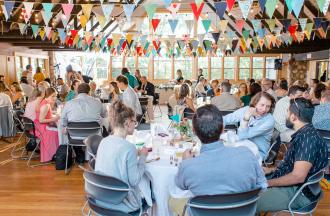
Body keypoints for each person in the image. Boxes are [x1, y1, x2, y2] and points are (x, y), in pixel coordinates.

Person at [169, 104, 267, 215]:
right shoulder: (247, 154)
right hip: (243, 213)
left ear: (194, 131)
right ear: (222, 129)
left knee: (172, 200)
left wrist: (186, 162)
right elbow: (262, 186)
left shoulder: (188, 166)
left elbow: (179, 186)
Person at [257, 98, 328, 213]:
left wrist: (267, 183)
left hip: (298, 193)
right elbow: (293, 167)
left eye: (287, 112)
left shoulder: (306, 139)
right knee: (249, 183)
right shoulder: (307, 133)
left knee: (246, 202)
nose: (286, 115)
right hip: (296, 186)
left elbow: (298, 176)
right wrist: (271, 170)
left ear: (293, 117)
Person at [95, 100, 148, 213]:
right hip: (122, 204)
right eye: (134, 121)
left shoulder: (104, 141)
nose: (135, 124)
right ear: (127, 123)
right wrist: (143, 157)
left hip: (100, 198)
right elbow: (135, 181)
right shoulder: (129, 148)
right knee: (152, 192)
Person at [61, 83, 108, 163]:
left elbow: (63, 120)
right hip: (93, 136)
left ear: (77, 91)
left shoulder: (69, 103)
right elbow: (104, 115)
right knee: (104, 129)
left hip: (74, 136)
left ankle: (79, 155)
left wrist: (65, 126)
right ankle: (96, 155)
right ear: (89, 91)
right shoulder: (97, 102)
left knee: (71, 130)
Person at [223, 92, 275, 159]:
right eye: (262, 105)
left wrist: (246, 119)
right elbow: (225, 119)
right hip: (242, 147)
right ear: (255, 103)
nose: (264, 109)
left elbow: (243, 135)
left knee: (229, 157)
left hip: (258, 152)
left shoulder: (269, 120)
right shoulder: (246, 109)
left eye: (268, 106)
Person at [34, 87, 60, 162]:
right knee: (58, 132)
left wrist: (53, 116)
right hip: (41, 127)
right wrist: (54, 119)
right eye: (53, 96)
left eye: (55, 96)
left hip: (39, 126)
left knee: (58, 129)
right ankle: (54, 155)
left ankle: (56, 154)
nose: (55, 98)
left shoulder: (45, 102)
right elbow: (41, 120)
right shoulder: (46, 105)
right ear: (47, 96)